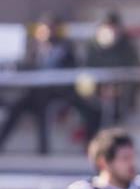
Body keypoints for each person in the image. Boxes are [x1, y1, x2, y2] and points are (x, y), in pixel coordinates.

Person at [0, 14, 100, 154]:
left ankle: (47, 149)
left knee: (91, 110)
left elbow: (71, 72)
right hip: (35, 94)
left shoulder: (66, 50)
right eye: (42, 30)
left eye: (49, 29)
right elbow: (26, 69)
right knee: (15, 108)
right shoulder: (33, 49)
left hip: (60, 94)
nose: (46, 33)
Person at [82, 10, 140, 124]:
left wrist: (118, 89)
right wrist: (99, 89)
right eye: (107, 27)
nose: (111, 31)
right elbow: (86, 71)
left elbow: (136, 71)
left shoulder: (127, 46)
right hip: (96, 97)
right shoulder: (93, 46)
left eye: (113, 27)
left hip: (120, 96)